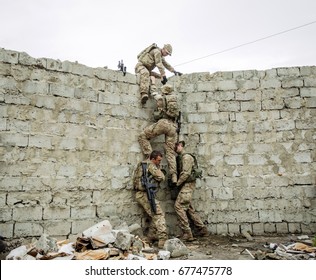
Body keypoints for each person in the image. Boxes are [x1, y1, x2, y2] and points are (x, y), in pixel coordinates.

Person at [138, 84, 179, 185]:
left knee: (143, 135)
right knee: (170, 152)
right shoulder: (175, 100)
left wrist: (152, 84)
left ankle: (150, 157)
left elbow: (153, 93)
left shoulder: (161, 98)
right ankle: (174, 175)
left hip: (163, 123)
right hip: (173, 126)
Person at [132, 150, 168, 248]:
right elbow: (161, 177)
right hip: (145, 194)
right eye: (158, 161)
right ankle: (163, 239)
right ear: (153, 159)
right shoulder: (151, 165)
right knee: (158, 214)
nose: (159, 162)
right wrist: (158, 169)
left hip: (141, 194)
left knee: (154, 214)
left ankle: (151, 236)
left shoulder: (142, 164)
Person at [174, 141, 208, 241]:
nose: (175, 149)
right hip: (186, 185)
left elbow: (185, 173)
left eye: (176, 146)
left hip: (187, 185)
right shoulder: (181, 157)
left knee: (179, 206)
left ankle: (187, 233)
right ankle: (201, 229)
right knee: (188, 208)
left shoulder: (186, 157)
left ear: (181, 145)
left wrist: (177, 183)